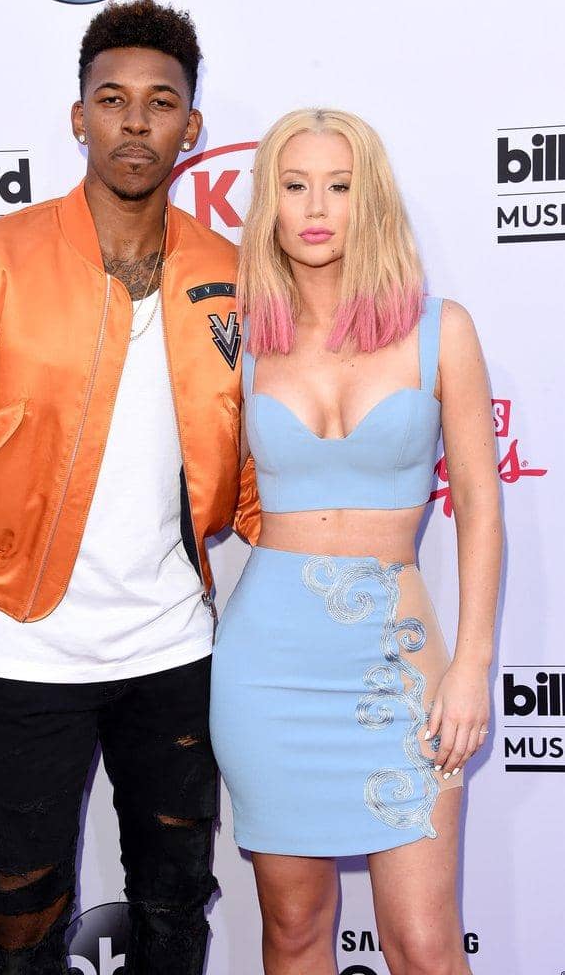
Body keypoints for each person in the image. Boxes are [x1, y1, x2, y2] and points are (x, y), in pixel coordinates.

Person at [0, 0, 249, 975]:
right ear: (79, 117)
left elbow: (260, 467)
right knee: (24, 915)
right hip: (24, 651)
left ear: (191, 126)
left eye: (160, 102)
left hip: (176, 649)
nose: (135, 122)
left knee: (176, 906)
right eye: (111, 99)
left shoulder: (233, 275)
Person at [212, 109, 502, 975]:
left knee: (424, 943)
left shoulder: (441, 329)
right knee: (295, 931)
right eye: (294, 185)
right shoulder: (240, 337)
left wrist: (471, 666)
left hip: (399, 661)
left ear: (369, 200)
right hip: (267, 667)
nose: (316, 207)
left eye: (339, 186)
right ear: (267, 202)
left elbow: (480, 505)